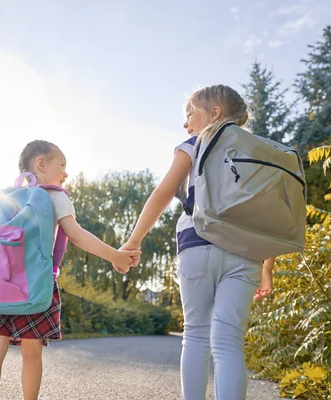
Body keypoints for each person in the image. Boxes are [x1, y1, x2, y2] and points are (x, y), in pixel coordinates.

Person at [120, 85, 274, 399]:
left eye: (190, 113)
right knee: (229, 341)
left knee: (197, 335)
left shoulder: (194, 145)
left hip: (198, 244)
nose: (185, 122)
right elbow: (271, 215)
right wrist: (268, 267)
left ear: (214, 113)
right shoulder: (259, 152)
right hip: (247, 254)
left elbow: (163, 193)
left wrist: (133, 242)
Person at [0, 140, 140, 400]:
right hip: (35, 284)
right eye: (62, 165)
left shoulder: (5, 197)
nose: (66, 173)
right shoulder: (54, 196)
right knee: (32, 351)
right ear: (41, 163)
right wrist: (116, 256)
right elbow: (76, 236)